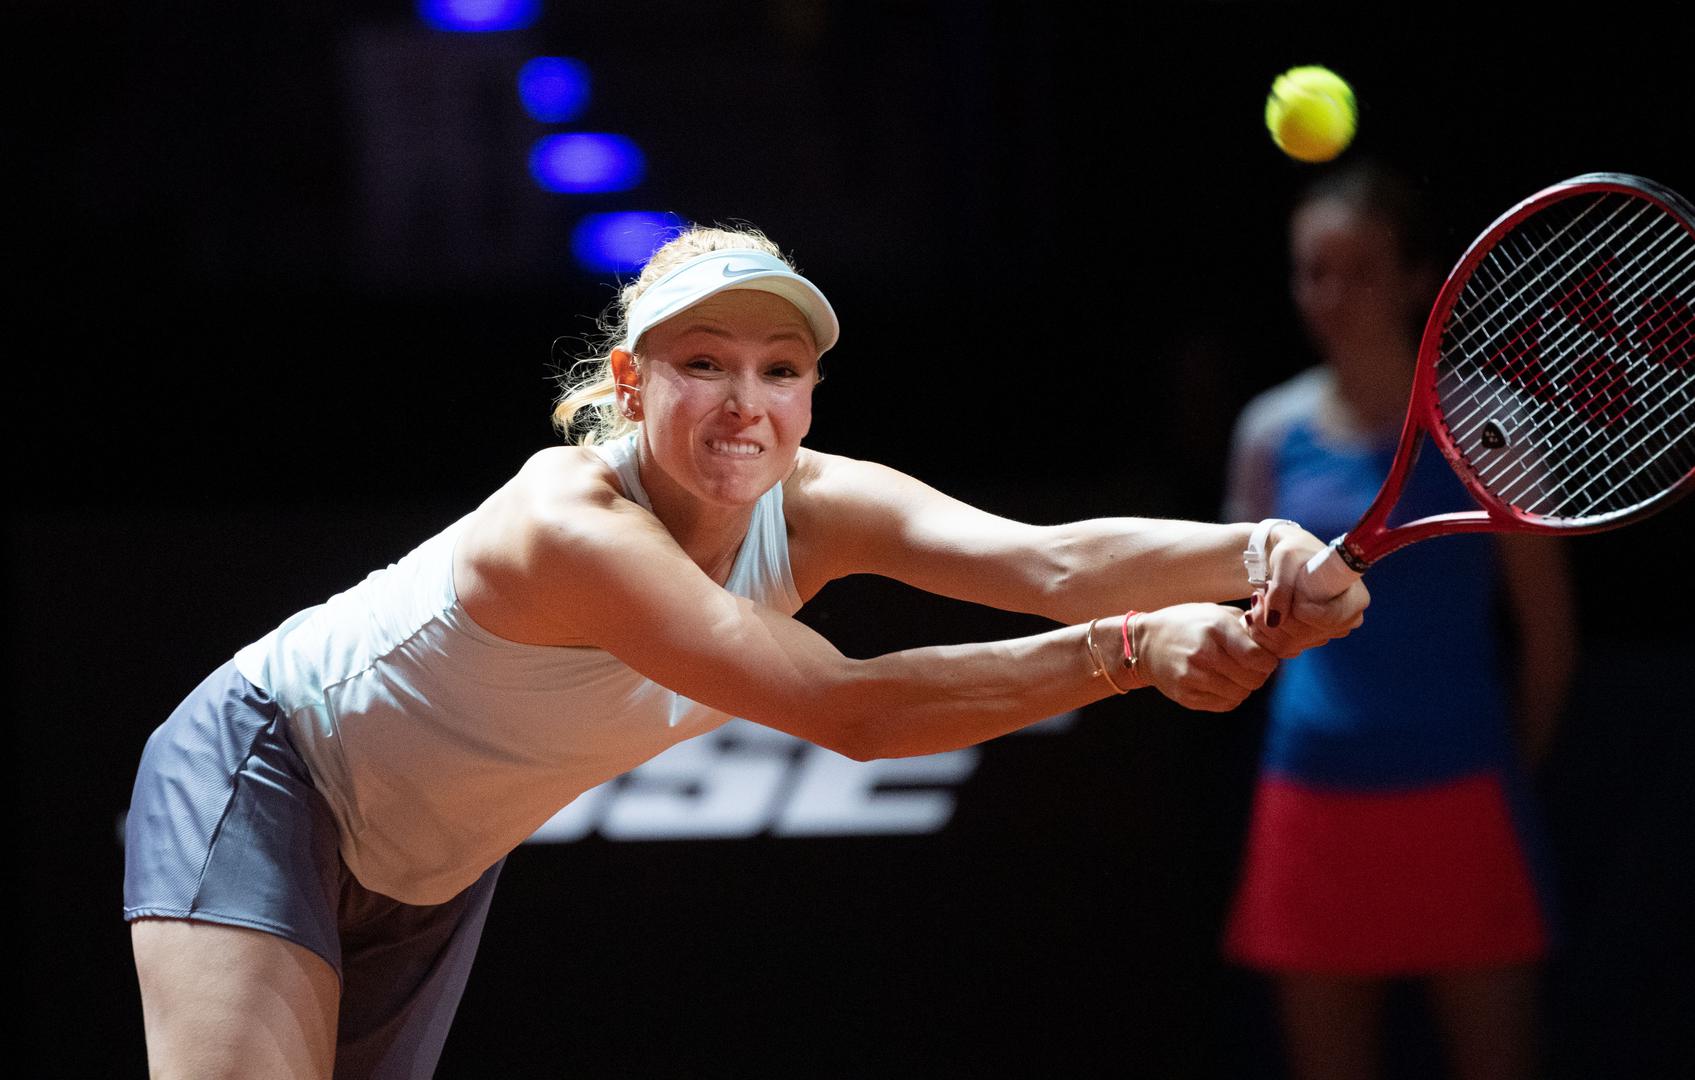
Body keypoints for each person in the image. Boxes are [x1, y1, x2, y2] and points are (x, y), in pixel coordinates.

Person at [125, 224, 1368, 1079]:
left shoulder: (817, 501)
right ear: (630, 381)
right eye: (703, 364)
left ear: (812, 393)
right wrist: (1132, 651)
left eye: (781, 370)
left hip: (426, 871)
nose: (745, 403)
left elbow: (1048, 563)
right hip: (273, 777)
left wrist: (1263, 550)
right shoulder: (571, 524)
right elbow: (854, 713)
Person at [1220, 162, 1576, 1080]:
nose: (1334, 296)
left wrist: (1502, 764)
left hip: (1461, 791)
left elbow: (1548, 641)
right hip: (1311, 797)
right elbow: (1238, 627)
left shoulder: (1488, 428)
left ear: (1418, 279)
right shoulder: (1267, 434)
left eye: (1361, 271)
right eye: (1314, 272)